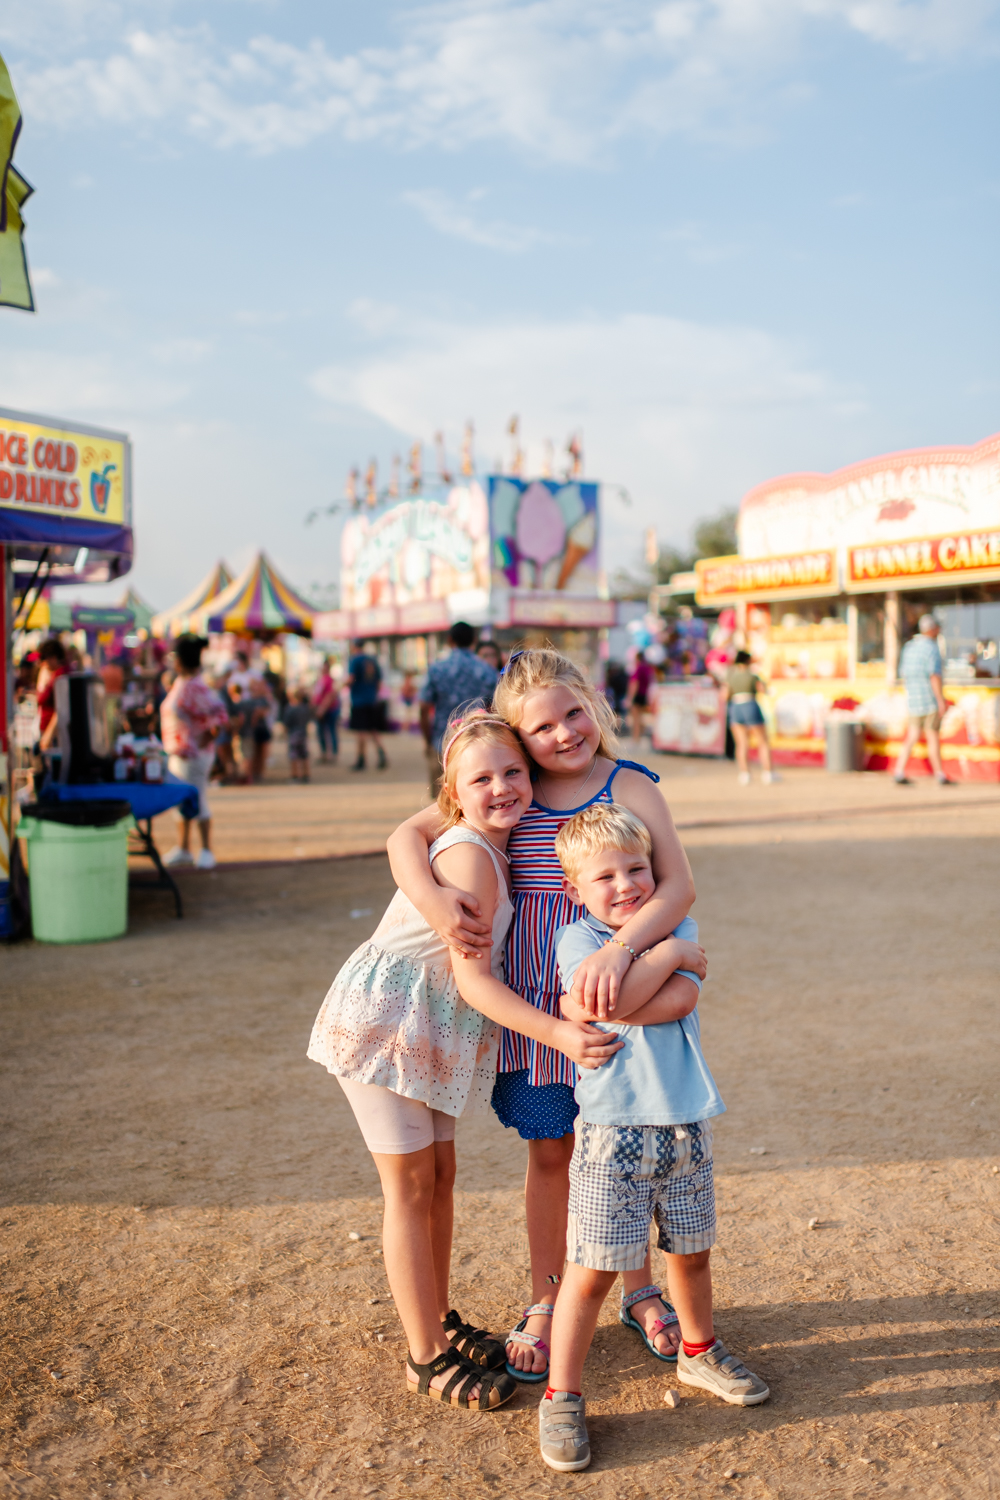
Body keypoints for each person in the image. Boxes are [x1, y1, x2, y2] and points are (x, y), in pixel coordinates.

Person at [387, 646, 696, 1383]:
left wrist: (620, 951)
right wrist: (434, 904)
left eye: (573, 714)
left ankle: (638, 1288)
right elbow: (406, 836)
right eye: (544, 728)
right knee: (553, 1153)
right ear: (520, 741)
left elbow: (678, 888)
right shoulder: (511, 790)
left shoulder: (631, 786)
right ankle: (547, 1296)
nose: (563, 734)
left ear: (594, 704)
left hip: (621, 1002)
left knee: (625, 1151)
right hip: (535, 1011)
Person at [306, 710, 621, 1411]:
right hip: (389, 1022)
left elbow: (408, 832)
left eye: (514, 771)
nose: (502, 786)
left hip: (428, 1024)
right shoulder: (472, 853)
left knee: (440, 1176)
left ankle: (438, 1320)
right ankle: (423, 1356)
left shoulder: (491, 837)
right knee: (413, 1186)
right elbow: (478, 982)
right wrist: (560, 1034)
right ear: (454, 789)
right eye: (482, 778)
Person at [535, 802, 767, 1471]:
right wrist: (665, 953)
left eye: (635, 868)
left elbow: (676, 1002)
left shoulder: (680, 919)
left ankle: (698, 1353)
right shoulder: (577, 939)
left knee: (691, 1254)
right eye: (604, 877)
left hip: (686, 1123)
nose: (625, 885)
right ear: (577, 890)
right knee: (592, 1272)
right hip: (612, 1133)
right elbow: (599, 1000)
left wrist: (632, 975)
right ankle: (563, 1393)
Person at [160, 634, 229, 870]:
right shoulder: (184, 683)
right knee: (184, 802)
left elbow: (219, 716)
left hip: (193, 755)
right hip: (182, 753)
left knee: (197, 800)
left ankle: (206, 849)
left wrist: (202, 740)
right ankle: (184, 848)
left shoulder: (194, 686)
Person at [420, 622, 499, 795]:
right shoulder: (486, 670)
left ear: (449, 640)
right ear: (474, 640)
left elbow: (424, 707)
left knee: (442, 801)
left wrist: (427, 739)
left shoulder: (437, 669)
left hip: (442, 742)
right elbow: (496, 709)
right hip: (479, 742)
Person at [894, 615, 951, 785]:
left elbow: (903, 673)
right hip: (929, 699)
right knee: (933, 736)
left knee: (912, 736)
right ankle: (940, 774)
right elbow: (934, 676)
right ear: (932, 629)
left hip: (913, 700)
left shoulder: (909, 647)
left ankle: (899, 770)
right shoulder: (932, 648)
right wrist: (941, 700)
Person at [721, 650, 776, 786]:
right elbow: (763, 690)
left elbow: (724, 695)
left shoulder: (730, 675)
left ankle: (745, 774)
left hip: (736, 707)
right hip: (750, 704)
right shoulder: (753, 675)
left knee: (741, 743)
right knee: (762, 741)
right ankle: (767, 773)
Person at [348, 641, 388, 772]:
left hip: (359, 700)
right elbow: (379, 682)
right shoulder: (372, 660)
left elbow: (351, 678)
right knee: (372, 729)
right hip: (371, 700)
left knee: (361, 731)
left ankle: (361, 758)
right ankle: (381, 753)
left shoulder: (355, 660)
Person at [35, 638, 69, 753]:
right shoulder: (58, 674)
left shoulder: (61, 675)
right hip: (53, 730)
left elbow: (61, 708)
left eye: (45, 658)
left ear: (52, 657)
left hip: (55, 733)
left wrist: (49, 734)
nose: (43, 663)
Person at [312, 658, 340, 762]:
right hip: (322, 708)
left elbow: (330, 695)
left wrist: (322, 708)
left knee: (331, 731)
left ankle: (332, 754)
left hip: (329, 709)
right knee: (321, 732)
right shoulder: (321, 679)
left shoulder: (329, 680)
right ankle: (324, 753)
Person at [283, 686, 314, 782]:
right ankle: (306, 775)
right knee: (304, 755)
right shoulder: (305, 708)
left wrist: (285, 732)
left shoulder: (290, 708)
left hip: (293, 734)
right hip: (303, 733)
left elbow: (286, 723)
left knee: (294, 756)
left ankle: (295, 775)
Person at [624, 653, 653, 744]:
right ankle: (640, 736)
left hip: (637, 695)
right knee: (640, 717)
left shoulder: (638, 668)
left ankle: (635, 738)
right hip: (644, 694)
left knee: (635, 718)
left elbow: (634, 683)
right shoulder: (647, 668)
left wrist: (630, 698)